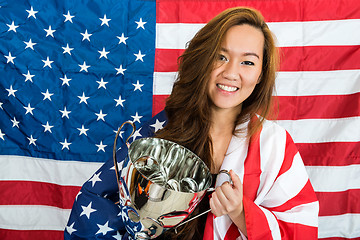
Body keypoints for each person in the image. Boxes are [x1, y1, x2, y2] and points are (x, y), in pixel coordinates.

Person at [65, 7, 319, 240]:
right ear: (202, 61)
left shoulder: (274, 145)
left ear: (261, 74)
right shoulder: (158, 134)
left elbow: (300, 230)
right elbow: (96, 202)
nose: (231, 72)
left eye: (248, 62)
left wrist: (240, 212)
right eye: (220, 56)